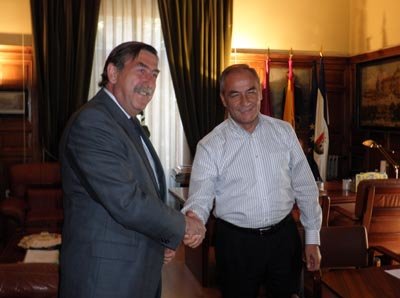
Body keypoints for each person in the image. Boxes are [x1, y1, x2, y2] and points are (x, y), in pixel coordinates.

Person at [58, 41, 205, 298]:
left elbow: (145, 193)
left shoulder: (125, 122)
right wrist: (183, 225)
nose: (149, 81)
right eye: (141, 69)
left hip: (132, 272)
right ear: (113, 73)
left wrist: (161, 238)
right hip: (105, 279)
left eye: (155, 74)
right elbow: (127, 201)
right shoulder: (94, 122)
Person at [182, 64, 322, 298]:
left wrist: (312, 239)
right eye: (234, 94)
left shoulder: (284, 132)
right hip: (236, 245)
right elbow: (201, 197)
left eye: (251, 91)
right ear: (223, 100)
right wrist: (194, 219)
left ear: (260, 93)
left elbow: (306, 188)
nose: (245, 101)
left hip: (284, 240)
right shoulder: (210, 145)